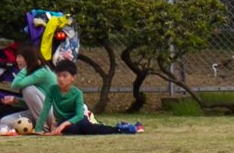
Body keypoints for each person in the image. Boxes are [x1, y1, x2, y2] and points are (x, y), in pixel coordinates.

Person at [11, 57, 139, 136]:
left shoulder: (77, 93)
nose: (61, 79)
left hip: (77, 119)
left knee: (85, 127)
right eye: (58, 75)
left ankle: (119, 129)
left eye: (64, 76)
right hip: (64, 122)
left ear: (73, 78)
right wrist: (39, 128)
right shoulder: (52, 90)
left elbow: (78, 115)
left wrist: (63, 124)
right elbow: (45, 109)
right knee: (71, 130)